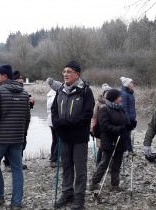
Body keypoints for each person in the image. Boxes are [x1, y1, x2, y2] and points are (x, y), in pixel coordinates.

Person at [0, 64, 31, 209]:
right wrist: (24, 136)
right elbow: (26, 118)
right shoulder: (23, 93)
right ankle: (16, 202)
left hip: (0, 140)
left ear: (5, 76)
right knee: (17, 169)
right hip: (17, 139)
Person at [52, 60, 95, 210]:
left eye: (69, 71)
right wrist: (57, 124)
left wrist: (69, 124)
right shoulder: (60, 90)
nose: (65, 74)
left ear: (77, 74)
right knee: (67, 166)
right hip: (64, 136)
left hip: (79, 137)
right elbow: (54, 111)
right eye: (64, 71)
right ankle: (67, 193)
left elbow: (87, 113)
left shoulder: (85, 91)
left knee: (80, 168)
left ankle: (79, 197)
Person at [89, 89, 128, 192]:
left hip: (120, 140)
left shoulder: (121, 109)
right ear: (114, 98)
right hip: (108, 140)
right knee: (105, 162)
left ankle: (115, 185)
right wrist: (118, 129)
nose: (121, 98)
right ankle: (93, 183)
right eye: (119, 97)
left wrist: (129, 125)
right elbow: (104, 126)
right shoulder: (104, 109)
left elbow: (124, 121)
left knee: (117, 163)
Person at [2, 70, 33, 171]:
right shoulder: (7, 91)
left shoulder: (23, 91)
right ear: (14, 80)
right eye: (20, 78)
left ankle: (17, 162)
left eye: (22, 78)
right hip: (10, 124)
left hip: (22, 123)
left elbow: (24, 108)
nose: (22, 80)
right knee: (9, 144)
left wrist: (30, 104)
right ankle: (7, 164)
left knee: (22, 143)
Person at [90, 83, 112, 165]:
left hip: (110, 127)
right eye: (106, 92)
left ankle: (108, 164)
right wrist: (92, 127)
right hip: (100, 128)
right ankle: (98, 163)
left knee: (109, 146)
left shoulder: (113, 103)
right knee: (101, 147)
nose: (108, 93)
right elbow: (94, 116)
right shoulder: (99, 102)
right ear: (104, 93)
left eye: (109, 92)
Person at [46, 77, 63, 168]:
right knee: (59, 141)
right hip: (55, 121)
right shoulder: (55, 97)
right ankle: (54, 159)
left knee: (55, 140)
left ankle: (53, 157)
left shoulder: (50, 95)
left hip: (51, 121)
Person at [120, 76, 136, 153]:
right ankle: (126, 150)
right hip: (126, 119)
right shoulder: (124, 94)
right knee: (126, 135)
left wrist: (133, 120)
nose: (133, 84)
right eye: (131, 83)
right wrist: (128, 121)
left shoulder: (130, 93)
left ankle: (129, 150)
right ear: (127, 85)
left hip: (131, 118)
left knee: (128, 134)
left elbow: (131, 108)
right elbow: (124, 109)